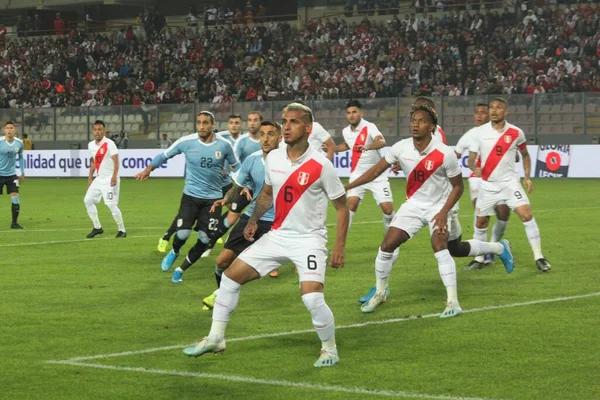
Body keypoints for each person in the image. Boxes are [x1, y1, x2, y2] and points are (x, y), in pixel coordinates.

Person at [183, 102, 349, 368]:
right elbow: (268, 194)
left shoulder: (321, 165)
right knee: (230, 277)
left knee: (311, 298)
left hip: (309, 240)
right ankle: (216, 338)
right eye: (285, 121)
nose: (287, 127)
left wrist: (339, 246)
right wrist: (254, 220)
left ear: (308, 128)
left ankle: (329, 350)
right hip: (278, 234)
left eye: (294, 122)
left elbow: (342, 207)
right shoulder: (274, 157)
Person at [344, 105, 514, 317]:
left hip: (440, 207)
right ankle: (380, 292)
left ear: (432, 127)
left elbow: (458, 187)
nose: (416, 124)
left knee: (443, 248)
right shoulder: (401, 148)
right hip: (413, 205)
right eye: (413, 120)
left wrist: (443, 211)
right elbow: (375, 171)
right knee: (387, 246)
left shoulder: (444, 153)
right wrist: (348, 187)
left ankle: (453, 302)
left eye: (422, 121)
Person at [135, 111, 239, 283]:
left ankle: (181, 269)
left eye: (206, 123)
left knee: (205, 239)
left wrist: (245, 185)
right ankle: (175, 251)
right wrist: (148, 170)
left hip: (213, 200)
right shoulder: (187, 142)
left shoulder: (224, 145)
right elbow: (164, 155)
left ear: (213, 125)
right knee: (182, 234)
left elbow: (237, 167)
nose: (202, 126)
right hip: (191, 196)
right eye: (199, 122)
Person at [202, 120, 281, 310]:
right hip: (251, 218)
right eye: (262, 134)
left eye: (271, 134)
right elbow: (238, 183)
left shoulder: (287, 162)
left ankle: (220, 299)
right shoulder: (252, 160)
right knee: (222, 261)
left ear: (279, 137)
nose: (266, 138)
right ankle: (223, 296)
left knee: (251, 267)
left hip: (277, 222)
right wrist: (227, 199)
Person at [468, 98, 551, 272]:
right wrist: (474, 167)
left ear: (506, 111)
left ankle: (539, 257)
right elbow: (471, 158)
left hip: (510, 184)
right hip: (488, 186)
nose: (494, 110)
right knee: (481, 223)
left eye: (499, 107)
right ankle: (479, 258)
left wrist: (527, 177)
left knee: (526, 215)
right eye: (491, 107)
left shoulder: (515, 132)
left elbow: (526, 155)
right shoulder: (479, 133)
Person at [156, 115, 243, 254]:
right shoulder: (221, 137)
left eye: (237, 123)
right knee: (187, 220)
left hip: (227, 183)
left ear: (241, 125)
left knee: (235, 210)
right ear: (227, 124)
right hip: (210, 186)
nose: (234, 126)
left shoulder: (240, 140)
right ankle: (169, 236)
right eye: (231, 123)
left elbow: (237, 165)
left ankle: (210, 230)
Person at [455, 103, 511, 270]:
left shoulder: (501, 133)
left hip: (498, 179)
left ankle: (493, 247)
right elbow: (455, 154)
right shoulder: (470, 134)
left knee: (503, 213)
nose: (479, 116)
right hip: (477, 178)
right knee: (481, 217)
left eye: (483, 113)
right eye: (476, 113)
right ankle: (480, 258)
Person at [335, 99, 394, 233]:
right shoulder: (346, 131)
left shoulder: (369, 127)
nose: (351, 115)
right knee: (351, 204)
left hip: (376, 174)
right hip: (357, 175)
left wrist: (368, 146)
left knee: (388, 209)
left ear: (361, 113)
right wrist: (334, 149)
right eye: (349, 113)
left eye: (354, 112)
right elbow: (347, 144)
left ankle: (389, 238)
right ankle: (341, 243)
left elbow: (381, 141)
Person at [84, 120, 126, 238]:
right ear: (93, 131)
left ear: (104, 131)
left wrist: (114, 177)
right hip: (99, 179)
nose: (97, 132)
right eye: (95, 130)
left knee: (111, 205)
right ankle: (97, 227)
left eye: (100, 130)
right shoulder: (91, 145)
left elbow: (116, 161)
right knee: (87, 201)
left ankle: (122, 230)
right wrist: (90, 179)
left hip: (110, 179)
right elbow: (93, 163)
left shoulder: (109, 143)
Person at [0, 121, 25, 229]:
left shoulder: (19, 143)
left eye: (11, 128)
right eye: (7, 128)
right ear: (4, 130)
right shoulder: (0, 142)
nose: (9, 130)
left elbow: (20, 157)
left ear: (15, 130)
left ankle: (14, 223)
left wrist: (22, 172)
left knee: (15, 197)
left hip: (12, 175)